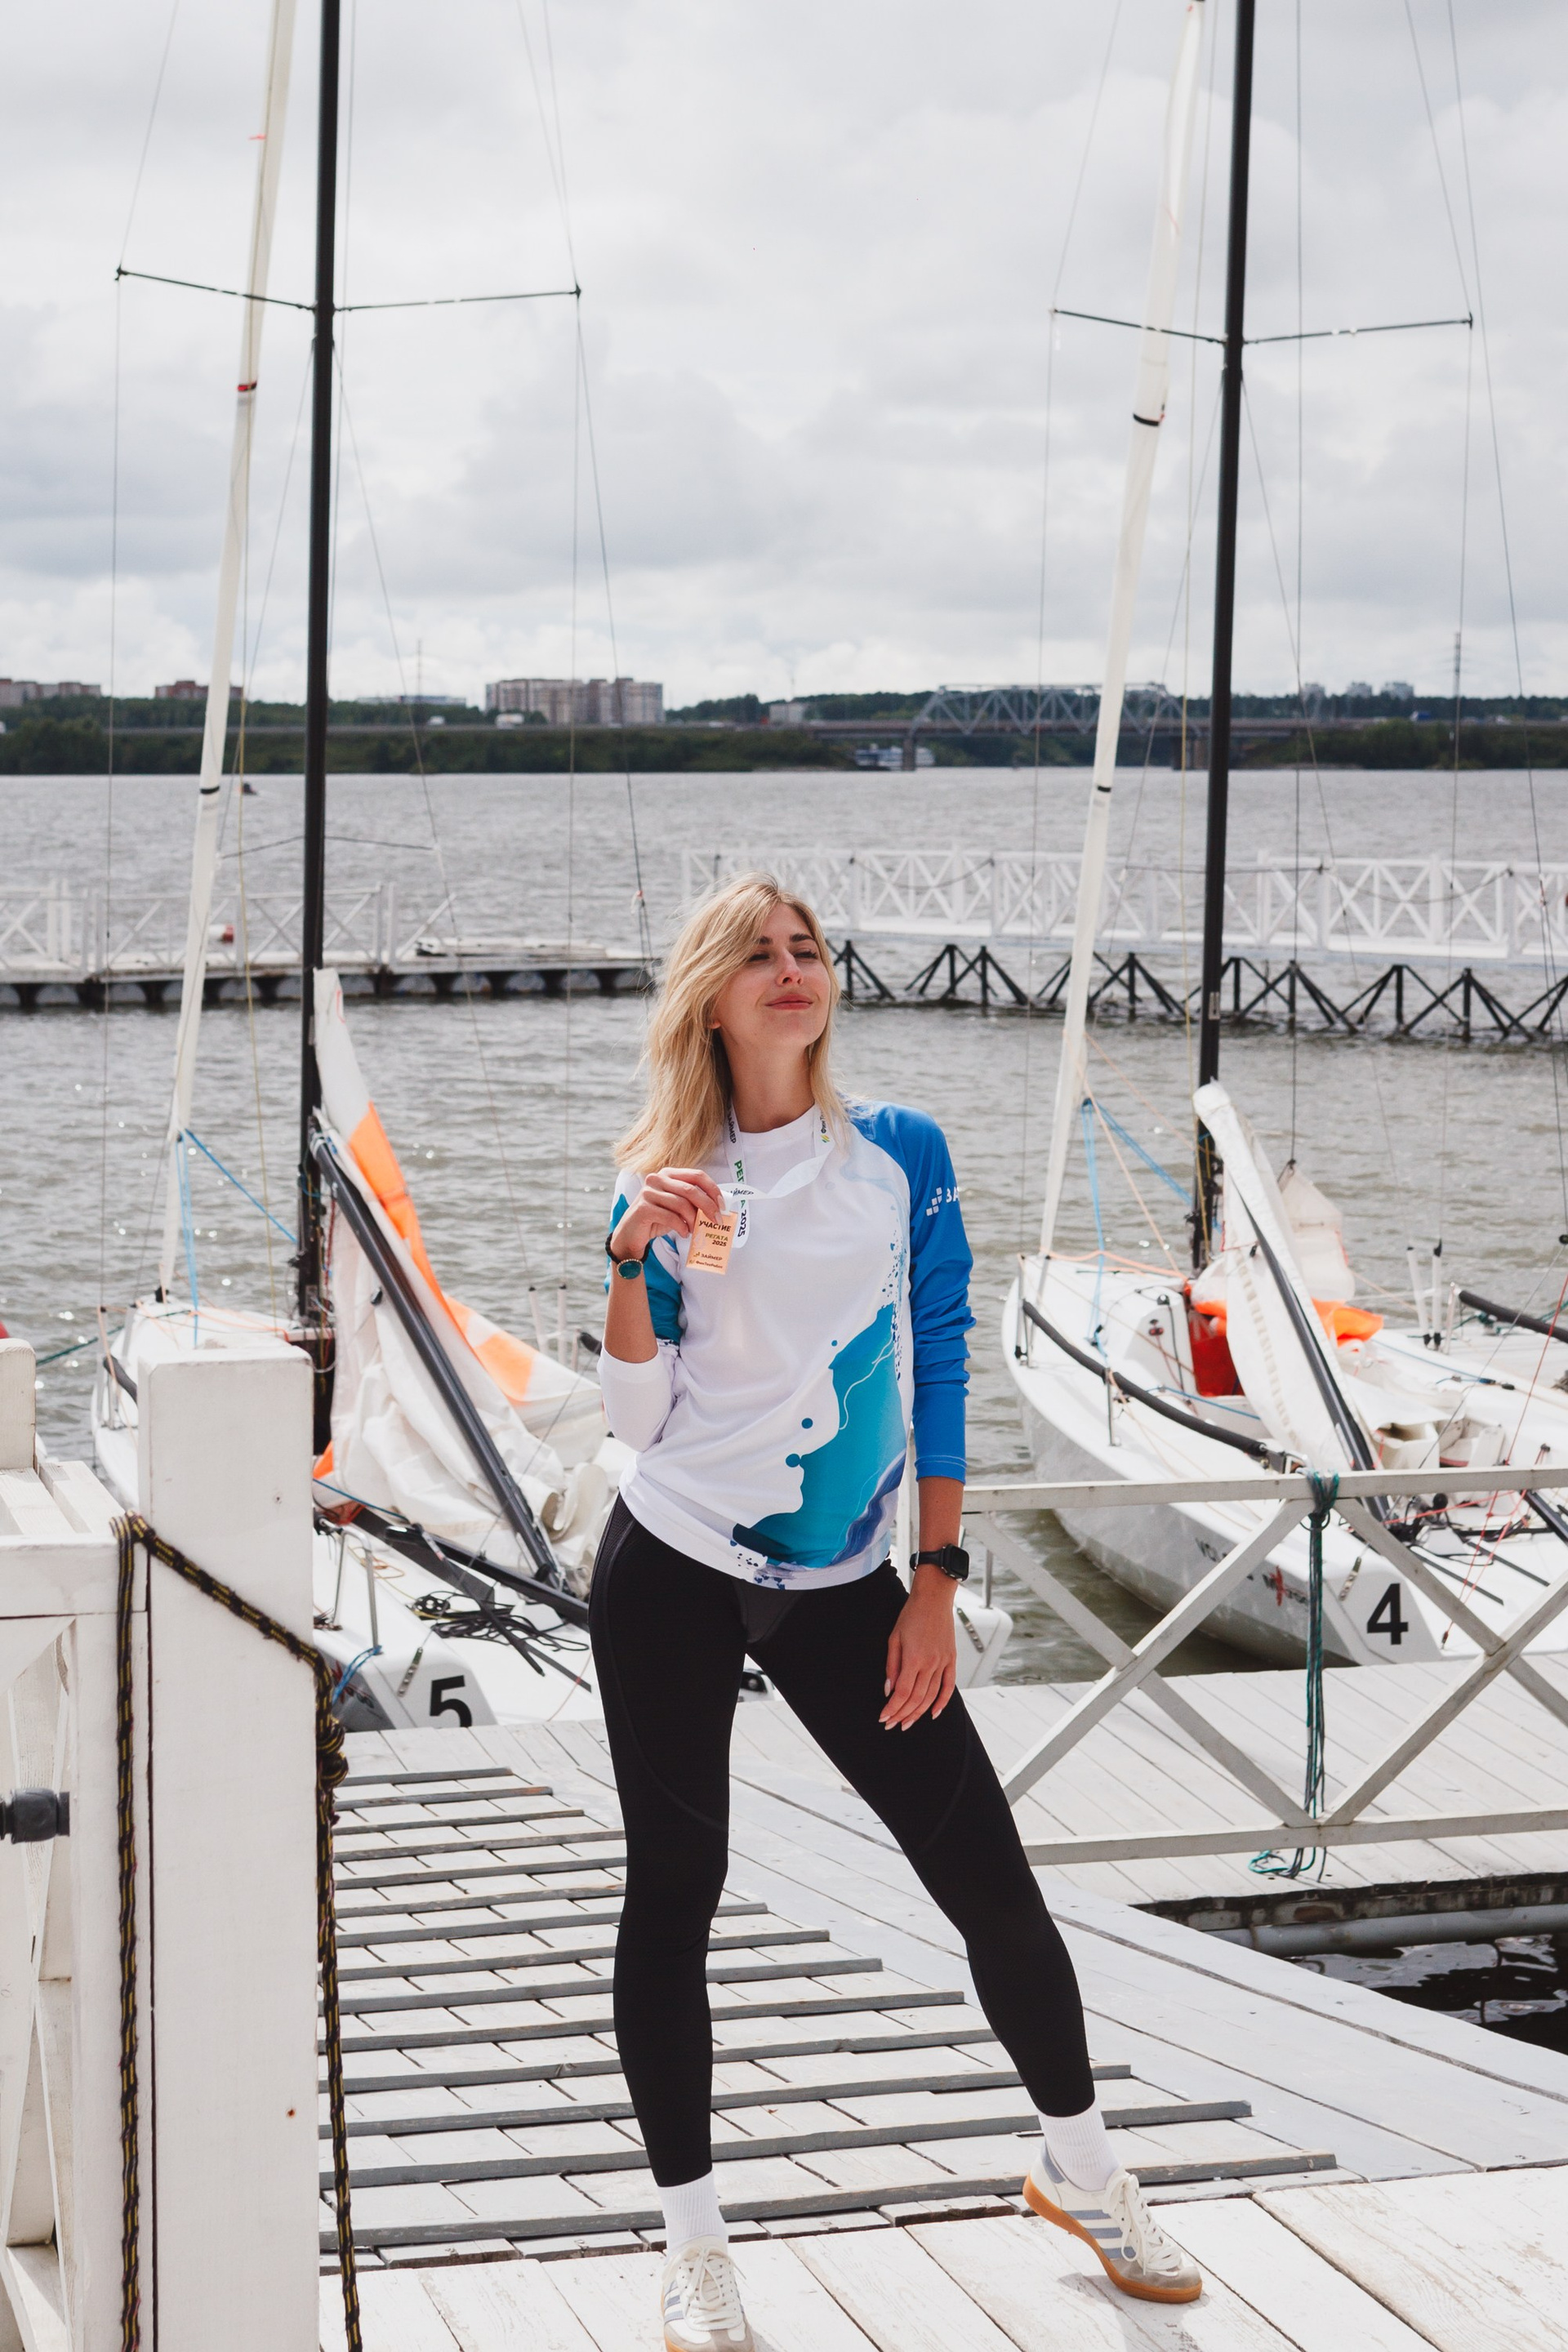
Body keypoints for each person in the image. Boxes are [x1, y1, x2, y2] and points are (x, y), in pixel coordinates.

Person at [594, 874, 1201, 2350]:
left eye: (807, 949)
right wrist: (627, 1255)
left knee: (987, 1878)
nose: (793, 971)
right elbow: (638, 1419)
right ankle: (694, 2246)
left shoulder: (899, 1158)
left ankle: (1084, 2172)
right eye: (758, 956)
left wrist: (935, 1581)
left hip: (849, 1589)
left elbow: (938, 1363)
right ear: (713, 1001)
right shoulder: (668, 1184)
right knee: (676, 1891)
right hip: (674, 1562)